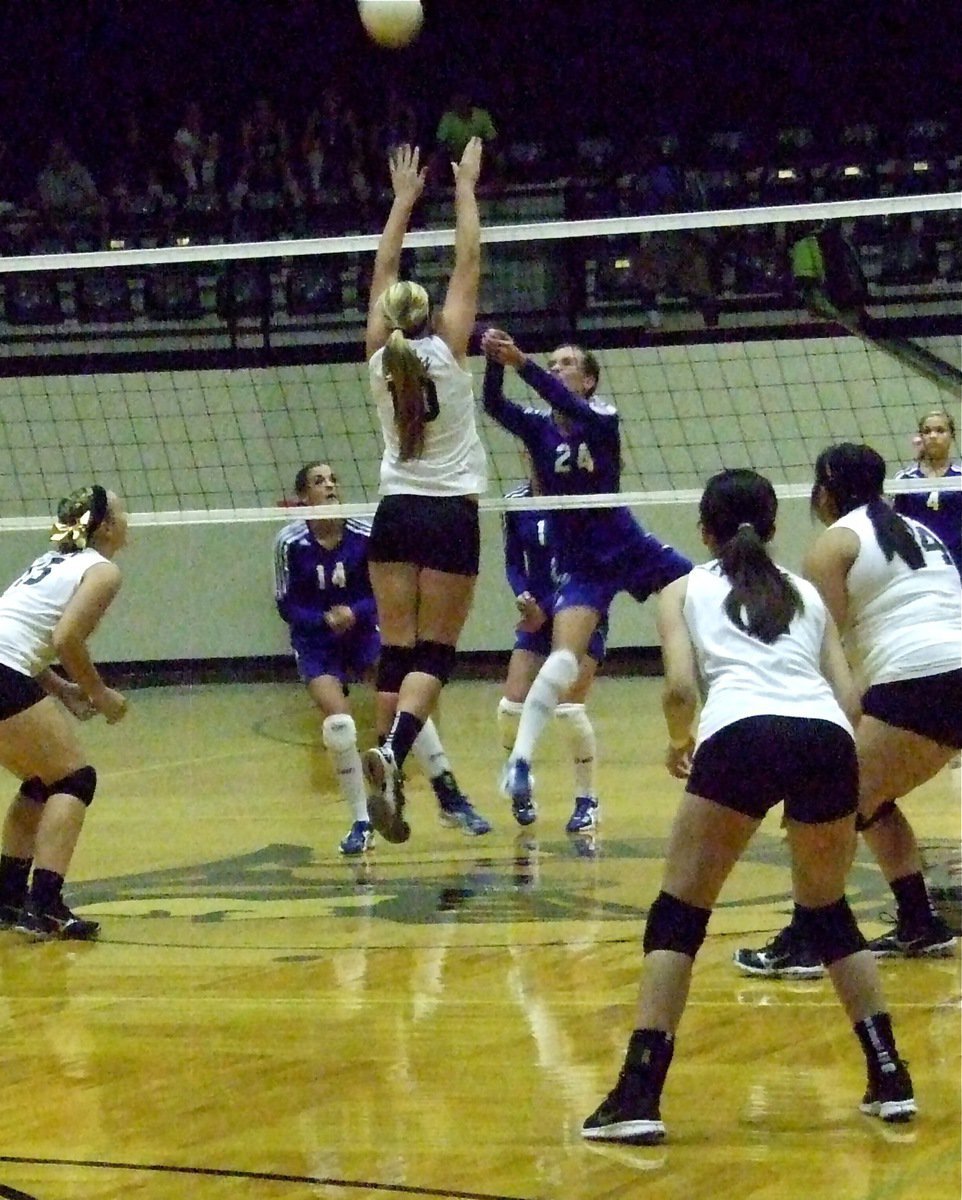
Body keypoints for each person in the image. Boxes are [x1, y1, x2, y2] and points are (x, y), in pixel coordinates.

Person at [582, 468, 915, 1145]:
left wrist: (681, 741)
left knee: (679, 913)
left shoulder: (682, 588)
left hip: (741, 732)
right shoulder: (806, 595)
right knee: (827, 912)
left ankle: (638, 1092)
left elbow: (679, 687)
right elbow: (851, 705)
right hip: (825, 738)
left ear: (704, 530)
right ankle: (890, 1077)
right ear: (772, 528)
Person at [734, 443, 961, 977]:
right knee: (871, 800)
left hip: (918, 681)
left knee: (816, 806)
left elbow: (824, 647)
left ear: (826, 488)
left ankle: (808, 937)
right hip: (947, 672)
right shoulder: (917, 529)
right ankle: (919, 922)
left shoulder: (833, 545)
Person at [481, 328, 692, 825]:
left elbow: (564, 403)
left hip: (625, 542)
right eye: (553, 362)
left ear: (591, 380)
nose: (557, 369)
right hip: (583, 562)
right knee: (562, 659)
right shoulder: (537, 427)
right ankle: (520, 762)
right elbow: (493, 404)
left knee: (701, 584)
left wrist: (522, 362)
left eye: (568, 363)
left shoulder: (601, 416)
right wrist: (494, 359)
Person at [359, 138, 488, 844]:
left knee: (396, 648)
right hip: (448, 518)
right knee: (435, 654)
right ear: (431, 315)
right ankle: (392, 752)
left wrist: (403, 200)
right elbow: (469, 262)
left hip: (393, 514)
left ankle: (391, 775)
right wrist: (464, 186)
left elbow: (383, 269)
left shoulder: (379, 362)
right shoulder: (450, 352)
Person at [274, 462, 491, 854]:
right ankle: (362, 820)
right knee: (339, 724)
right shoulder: (289, 542)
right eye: (319, 481)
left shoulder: (362, 533)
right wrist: (322, 618)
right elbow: (286, 603)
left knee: (408, 689)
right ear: (304, 496)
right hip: (316, 641)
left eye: (333, 478)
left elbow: (385, 592)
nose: (330, 486)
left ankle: (446, 792)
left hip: (361, 633)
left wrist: (353, 613)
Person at [0, 485, 129, 940]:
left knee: (41, 780)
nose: (127, 518)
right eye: (122, 510)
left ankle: (9, 899)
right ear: (108, 525)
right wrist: (98, 694)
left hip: (7, 667)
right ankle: (47, 906)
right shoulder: (102, 570)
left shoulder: (49, 561)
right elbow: (66, 639)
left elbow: (20, 636)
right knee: (74, 779)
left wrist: (61, 689)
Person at [498, 463, 606, 834]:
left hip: (579, 609)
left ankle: (587, 799)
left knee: (568, 710)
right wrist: (523, 597)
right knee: (511, 707)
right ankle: (521, 781)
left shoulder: (583, 497)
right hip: (538, 610)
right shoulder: (516, 502)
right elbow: (514, 562)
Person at [892, 409, 961, 577]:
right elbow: (895, 524)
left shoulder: (959, 477)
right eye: (927, 431)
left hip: (957, 561)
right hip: (919, 565)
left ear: (952, 436)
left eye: (940, 430)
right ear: (920, 437)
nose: (933, 436)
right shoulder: (905, 478)